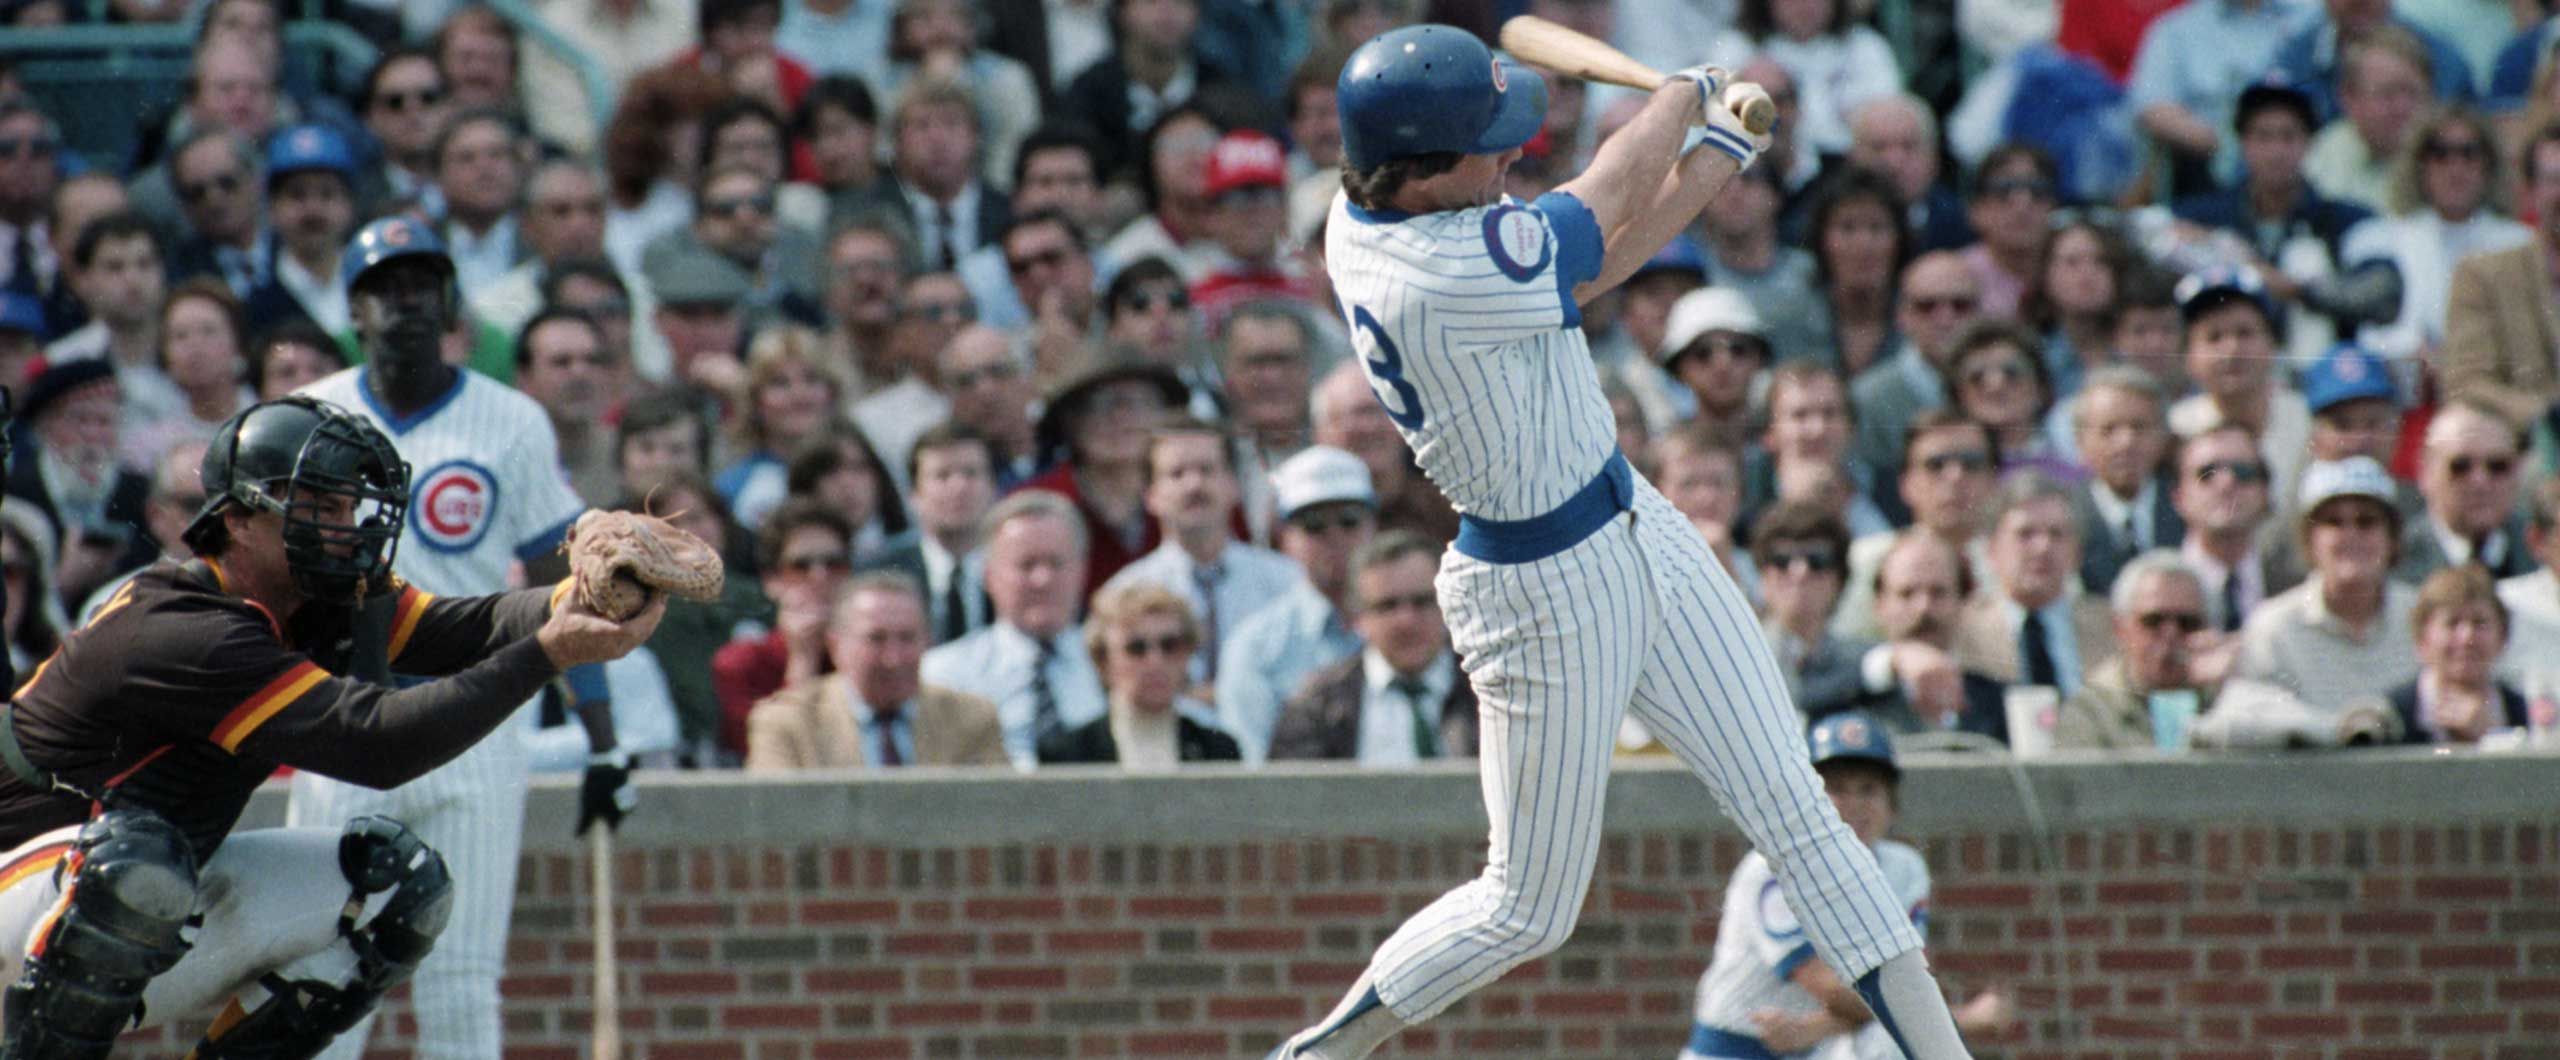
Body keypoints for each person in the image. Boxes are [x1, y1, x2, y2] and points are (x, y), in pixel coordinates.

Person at [1275, 26, 1973, 1060]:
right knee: (1526, 907)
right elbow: (1595, 211)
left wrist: (1711, 161)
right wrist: (1680, 97)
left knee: (1801, 811)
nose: (1510, 154)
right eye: (1487, 143)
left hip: (1632, 514)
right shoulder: (1428, 269)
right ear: (1420, 168)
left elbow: (1589, 271)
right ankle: (1315, 1053)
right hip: (1537, 584)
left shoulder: (1401, 201)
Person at [0, 396, 662, 1059]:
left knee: (391, 882)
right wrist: (551, 653)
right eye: (317, 504)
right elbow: (379, 743)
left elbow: (459, 628)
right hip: (28, 890)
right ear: (236, 518)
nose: (344, 527)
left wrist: (570, 598)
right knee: (137, 866)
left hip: (127, 901)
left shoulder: (307, 596)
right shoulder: (187, 629)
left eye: (348, 505)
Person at [285, 217, 629, 1060]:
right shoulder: (310, 415)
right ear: (354, 308)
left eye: (419, 286)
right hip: (345, 717)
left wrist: (605, 744)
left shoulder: (510, 419)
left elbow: (567, 586)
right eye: (384, 287)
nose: (403, 304)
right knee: (323, 974)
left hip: (474, 718)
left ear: (448, 302)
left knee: (461, 981)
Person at [1679, 713, 2011, 1060]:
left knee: (1891, 1045)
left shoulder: (1904, 868)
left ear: (1892, 803)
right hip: (1736, 1051)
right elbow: (1834, 989)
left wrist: (1817, 1028)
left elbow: (1899, 984)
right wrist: (1966, 1020)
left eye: (1868, 789)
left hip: (1817, 1046)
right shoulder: (1772, 868)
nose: (1854, 805)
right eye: (1836, 789)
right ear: (1807, 799)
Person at [2200, 456, 2420, 748]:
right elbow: (2248, 719)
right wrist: (2340, 731)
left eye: (2366, 522)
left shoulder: (2422, 616)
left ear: (2392, 538)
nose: (2350, 535)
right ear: (2309, 541)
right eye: (2333, 522)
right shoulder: (2273, 628)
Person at [1098, 418, 1301, 683]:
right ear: (1151, 495)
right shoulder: (1123, 594)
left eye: (1206, 470)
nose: (1194, 485)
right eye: (1177, 473)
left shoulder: (1286, 582)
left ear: (1233, 484)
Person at [745, 570, 1008, 769]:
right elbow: (775, 829)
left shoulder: (971, 719)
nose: (893, 658)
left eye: (907, 638)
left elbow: (998, 820)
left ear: (928, 642)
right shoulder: (788, 724)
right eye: (876, 639)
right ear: (836, 647)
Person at [921, 490, 1110, 765]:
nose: (1042, 579)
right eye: (1027, 565)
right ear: (988, 575)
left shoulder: (1120, 664)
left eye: (1056, 563)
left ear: (1082, 570)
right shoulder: (944, 674)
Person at [1216, 446, 1377, 762]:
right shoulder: (1255, 645)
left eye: (1349, 520)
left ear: (1373, 525)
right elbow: (1254, 766)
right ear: (1284, 536)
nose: (1334, 536)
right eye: (1313, 524)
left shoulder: (1414, 619)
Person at [1268, 530, 1476, 763]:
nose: (1406, 621)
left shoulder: (1489, 691)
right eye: (1387, 606)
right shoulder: (1315, 707)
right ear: (1358, 617)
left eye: (1422, 602)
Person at [1951, 474, 2114, 697]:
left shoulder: (2110, 626)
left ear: (2077, 552)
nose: (2042, 547)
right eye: (2025, 534)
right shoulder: (1962, 629)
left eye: (2056, 534)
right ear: (1991, 549)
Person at [2055, 551, 2229, 751]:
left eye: (2187, 623)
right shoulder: (2090, 712)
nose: (2170, 635)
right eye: (2153, 621)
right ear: (2121, 629)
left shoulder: (2227, 703)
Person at [863, 422, 1000, 645]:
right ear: (914, 495)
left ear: (993, 487)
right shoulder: (883, 573)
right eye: (942, 476)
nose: (959, 487)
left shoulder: (1019, 568)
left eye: (971, 473)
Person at [2384, 565, 2534, 745]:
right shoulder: (2392, 717)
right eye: (2452, 623)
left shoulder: (2525, 713)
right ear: (2422, 639)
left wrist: (2494, 736)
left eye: (2479, 623)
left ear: (2502, 636)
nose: (2466, 637)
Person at [2174, 425, 2302, 633]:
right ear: (2179, 497)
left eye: (2243, 472)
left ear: (2265, 493)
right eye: (2207, 473)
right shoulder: (2153, 592)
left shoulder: (2297, 587)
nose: (2226, 483)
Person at [1751, 501, 1868, 721]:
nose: (1800, 572)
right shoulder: (1741, 656)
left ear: (1839, 579)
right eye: (1782, 560)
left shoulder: (1863, 659)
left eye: (1817, 560)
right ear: (1762, 577)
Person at [2396, 399, 2536, 582]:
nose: (2480, 482)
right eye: (2461, 466)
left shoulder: (2542, 554)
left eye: (2497, 466)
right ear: (2425, 471)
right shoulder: (2397, 560)